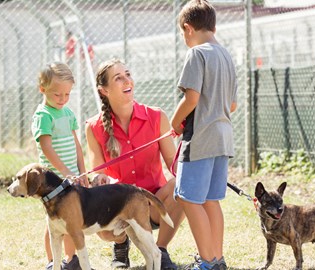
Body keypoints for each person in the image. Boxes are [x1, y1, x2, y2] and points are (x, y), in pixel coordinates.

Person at [85, 59, 185, 270]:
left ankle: (161, 250)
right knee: (104, 230)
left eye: (127, 74)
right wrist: (100, 179)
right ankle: (121, 245)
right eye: (118, 78)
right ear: (104, 90)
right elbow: (98, 175)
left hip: (154, 203)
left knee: (183, 183)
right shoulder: (93, 127)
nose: (126, 80)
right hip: (120, 206)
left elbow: (174, 164)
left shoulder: (156, 117)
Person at [170, 1, 238, 270]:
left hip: (200, 138)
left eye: (182, 34)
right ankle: (217, 259)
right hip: (223, 137)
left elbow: (192, 98)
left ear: (188, 28)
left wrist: (175, 123)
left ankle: (208, 262)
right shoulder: (226, 55)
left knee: (188, 197)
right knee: (211, 199)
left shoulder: (196, 54)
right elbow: (232, 105)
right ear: (213, 26)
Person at [31, 62, 89, 270]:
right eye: (57, 95)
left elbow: (76, 146)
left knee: (72, 220)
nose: (63, 99)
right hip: (53, 181)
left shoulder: (68, 114)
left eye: (67, 94)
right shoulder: (43, 116)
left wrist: (81, 172)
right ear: (43, 90)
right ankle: (52, 262)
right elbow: (46, 148)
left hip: (71, 178)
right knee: (54, 223)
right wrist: (65, 172)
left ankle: (71, 259)